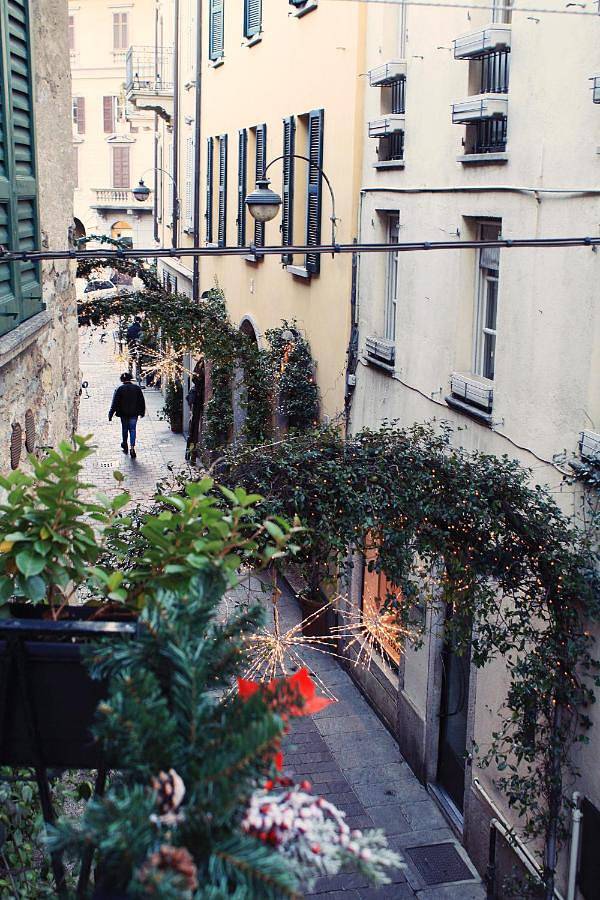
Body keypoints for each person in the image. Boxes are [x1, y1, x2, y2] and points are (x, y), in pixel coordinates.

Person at [108, 372, 146, 458]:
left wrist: (111, 414)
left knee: (124, 429)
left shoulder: (119, 389)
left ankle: (125, 444)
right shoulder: (137, 388)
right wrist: (142, 412)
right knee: (132, 429)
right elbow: (141, 401)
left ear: (122, 380)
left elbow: (115, 403)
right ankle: (132, 447)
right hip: (134, 413)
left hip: (123, 413)